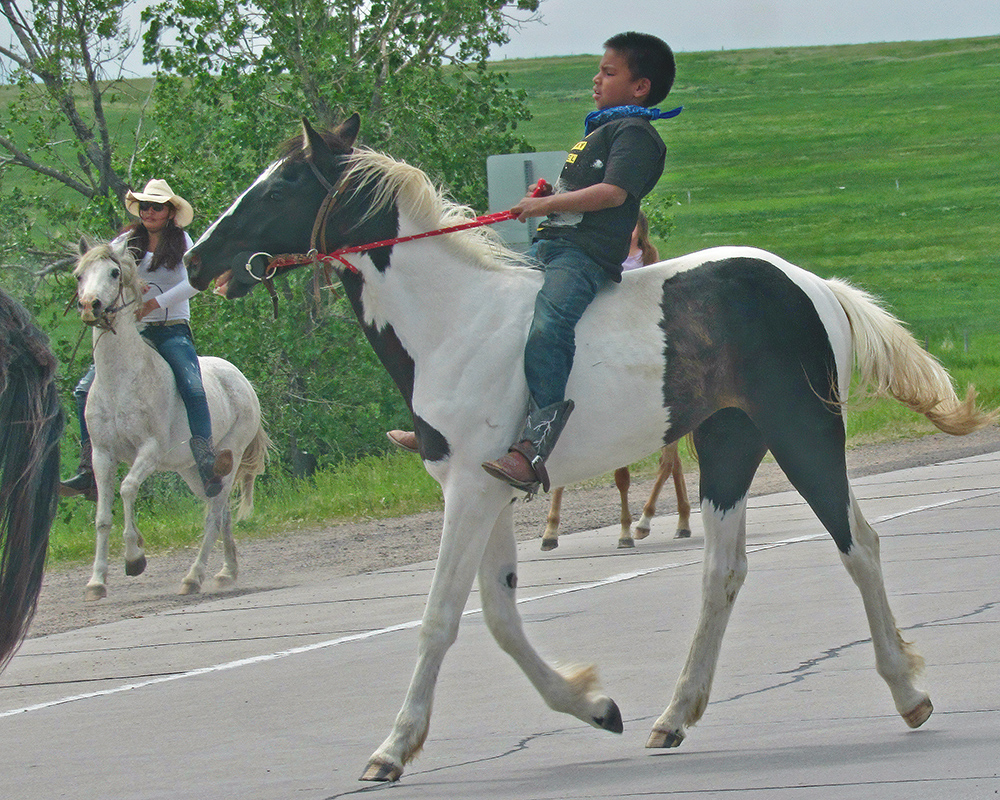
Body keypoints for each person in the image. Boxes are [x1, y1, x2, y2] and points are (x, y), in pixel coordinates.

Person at [479, 31, 679, 493]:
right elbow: (584, 195)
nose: (596, 79)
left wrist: (543, 208)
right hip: (551, 248)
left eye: (609, 72)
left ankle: (535, 447)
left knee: (549, 326)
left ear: (640, 87)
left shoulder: (637, 135)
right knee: (489, 315)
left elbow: (613, 194)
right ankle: (462, 426)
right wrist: (555, 197)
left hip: (583, 258)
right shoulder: (600, 130)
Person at [60, 179, 233, 500]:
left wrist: (155, 302)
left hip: (170, 329)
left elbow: (195, 283)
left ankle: (205, 458)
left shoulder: (183, 241)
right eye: (145, 206)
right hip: (132, 332)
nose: (149, 212)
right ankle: (89, 470)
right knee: (84, 389)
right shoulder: (125, 241)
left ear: (170, 212)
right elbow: (105, 271)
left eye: (157, 207)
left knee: (193, 386)